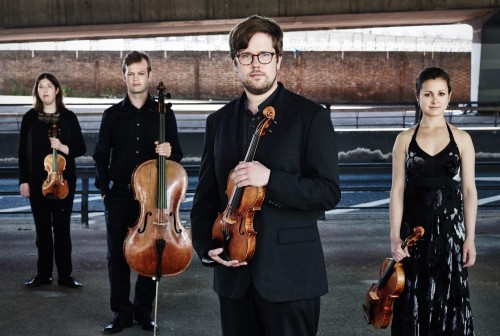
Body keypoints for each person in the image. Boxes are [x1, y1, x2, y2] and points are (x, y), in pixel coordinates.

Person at [190, 15, 341, 336]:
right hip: (234, 277)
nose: (255, 63)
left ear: (279, 59)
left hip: (291, 276)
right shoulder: (217, 121)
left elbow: (328, 192)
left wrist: (269, 178)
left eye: (264, 55)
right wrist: (205, 245)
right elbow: (205, 197)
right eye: (245, 56)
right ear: (235, 63)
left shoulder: (310, 117)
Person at [93, 51, 183, 334]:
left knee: (150, 255)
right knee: (117, 256)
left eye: (140, 73)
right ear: (124, 76)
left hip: (153, 198)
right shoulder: (111, 115)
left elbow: (178, 154)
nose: (135, 78)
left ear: (149, 75)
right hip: (119, 196)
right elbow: (100, 155)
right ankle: (121, 313)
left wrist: (169, 151)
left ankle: (144, 311)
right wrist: (104, 190)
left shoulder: (164, 113)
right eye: (130, 73)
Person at [389, 67, 477, 335]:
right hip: (413, 235)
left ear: (449, 97)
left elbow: (470, 190)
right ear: (418, 96)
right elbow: (397, 190)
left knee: (449, 300)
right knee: (413, 297)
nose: (434, 99)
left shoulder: (462, 138)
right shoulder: (404, 139)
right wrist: (394, 237)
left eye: (440, 93)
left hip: (451, 235)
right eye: (428, 93)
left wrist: (470, 238)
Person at [19, 72, 86, 289]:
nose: (45, 90)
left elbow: (81, 148)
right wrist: (24, 181)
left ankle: (65, 276)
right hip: (37, 181)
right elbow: (22, 152)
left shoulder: (68, 117)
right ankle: (43, 274)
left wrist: (62, 147)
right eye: (41, 87)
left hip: (63, 182)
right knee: (42, 231)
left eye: (49, 86)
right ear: (37, 92)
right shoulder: (29, 117)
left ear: (57, 90)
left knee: (62, 230)